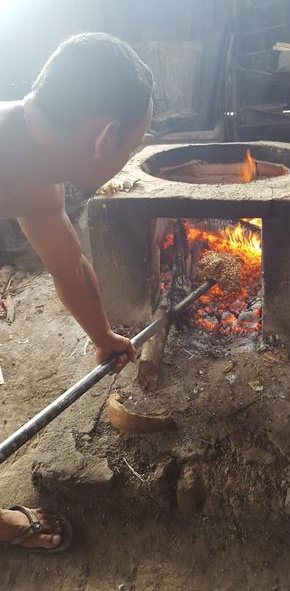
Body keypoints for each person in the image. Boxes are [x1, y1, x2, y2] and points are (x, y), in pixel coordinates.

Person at [0, 32, 153, 552]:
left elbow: (69, 268)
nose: (130, 157)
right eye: (133, 145)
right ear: (104, 137)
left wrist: (103, 335)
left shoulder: (36, 171)